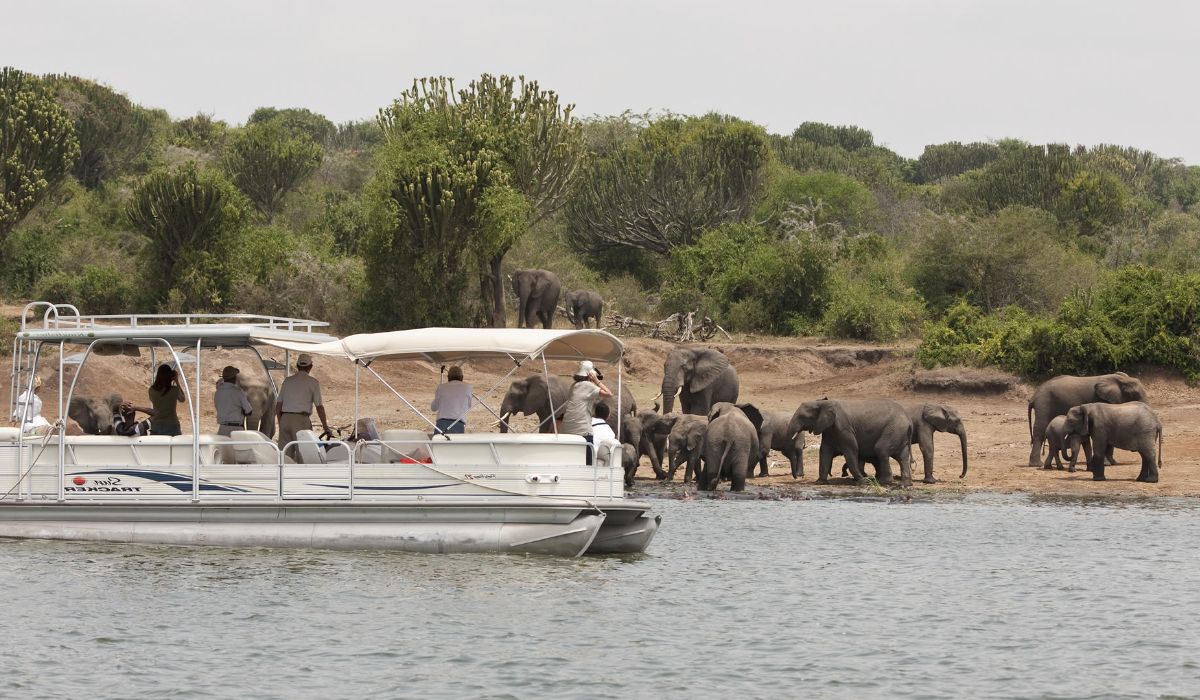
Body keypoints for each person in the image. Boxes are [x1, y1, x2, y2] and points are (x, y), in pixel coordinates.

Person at [560, 360, 612, 465]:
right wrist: (597, 381)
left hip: (566, 429)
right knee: (588, 461)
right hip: (583, 430)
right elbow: (609, 394)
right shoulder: (588, 386)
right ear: (590, 374)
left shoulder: (574, 385)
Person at [277, 353, 330, 454]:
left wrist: (281, 422)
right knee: (304, 454)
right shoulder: (313, 382)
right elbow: (319, 407)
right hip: (301, 420)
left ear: (297, 366)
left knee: (284, 455)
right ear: (310, 367)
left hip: (285, 418)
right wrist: (325, 426)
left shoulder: (287, 381)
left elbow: (278, 405)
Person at [430, 365, 472, 434]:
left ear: (448, 377)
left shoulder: (441, 387)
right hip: (458, 424)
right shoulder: (468, 387)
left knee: (439, 444)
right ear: (462, 377)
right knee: (455, 445)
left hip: (441, 424)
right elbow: (469, 406)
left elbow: (433, 408)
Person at [214, 365, 253, 437]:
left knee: (223, 448)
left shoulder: (218, 392)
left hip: (222, 430)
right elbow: (249, 411)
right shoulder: (238, 392)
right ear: (234, 378)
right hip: (236, 430)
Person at [148, 363, 185, 436]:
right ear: (170, 376)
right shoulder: (174, 390)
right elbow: (182, 399)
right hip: (172, 424)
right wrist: (176, 381)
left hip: (156, 424)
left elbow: (153, 400)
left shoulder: (151, 390)